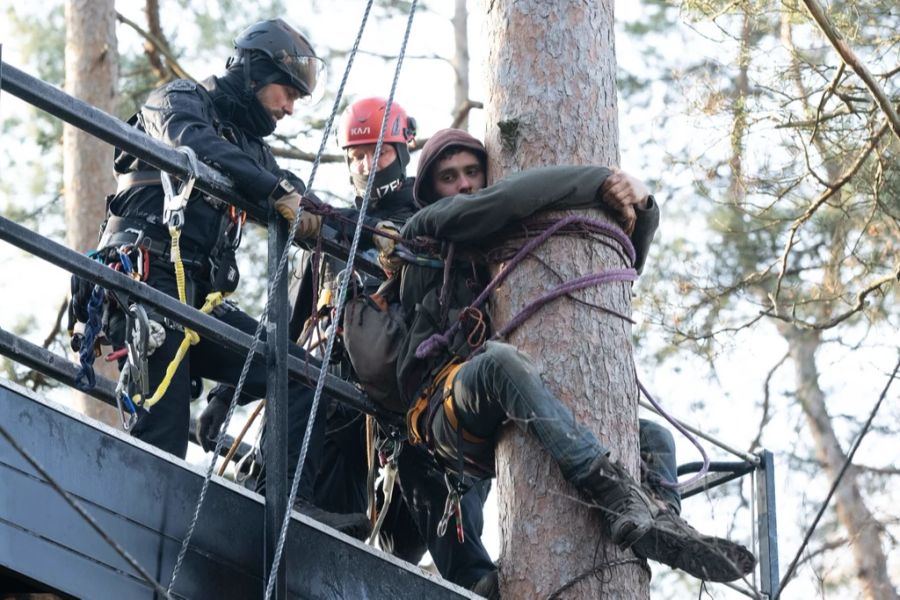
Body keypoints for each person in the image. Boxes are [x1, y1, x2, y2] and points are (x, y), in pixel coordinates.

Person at [376, 128, 756, 587]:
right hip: (442, 405)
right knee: (499, 364)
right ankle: (615, 493)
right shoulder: (430, 225)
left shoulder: (492, 246)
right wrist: (601, 181)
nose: (463, 184)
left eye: (473, 172)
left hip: (502, 409)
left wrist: (643, 206)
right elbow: (503, 202)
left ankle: (662, 521)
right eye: (448, 177)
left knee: (652, 438)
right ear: (431, 191)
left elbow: (618, 263)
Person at [199, 98, 498, 589]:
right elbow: (288, 335)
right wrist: (224, 395)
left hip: (407, 394)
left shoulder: (430, 228)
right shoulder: (327, 229)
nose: (364, 164)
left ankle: (474, 579)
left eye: (376, 153)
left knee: (437, 477)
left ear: (401, 152)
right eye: (355, 155)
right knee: (318, 545)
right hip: (336, 406)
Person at [91, 18, 365, 534]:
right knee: (163, 447)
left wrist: (370, 233)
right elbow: (194, 143)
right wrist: (275, 191)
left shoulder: (256, 152)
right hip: (150, 282)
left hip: (203, 301)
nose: (289, 108)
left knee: (299, 372)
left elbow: (298, 200)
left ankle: (283, 500)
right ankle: (144, 555)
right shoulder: (177, 99)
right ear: (256, 72)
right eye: (287, 93)